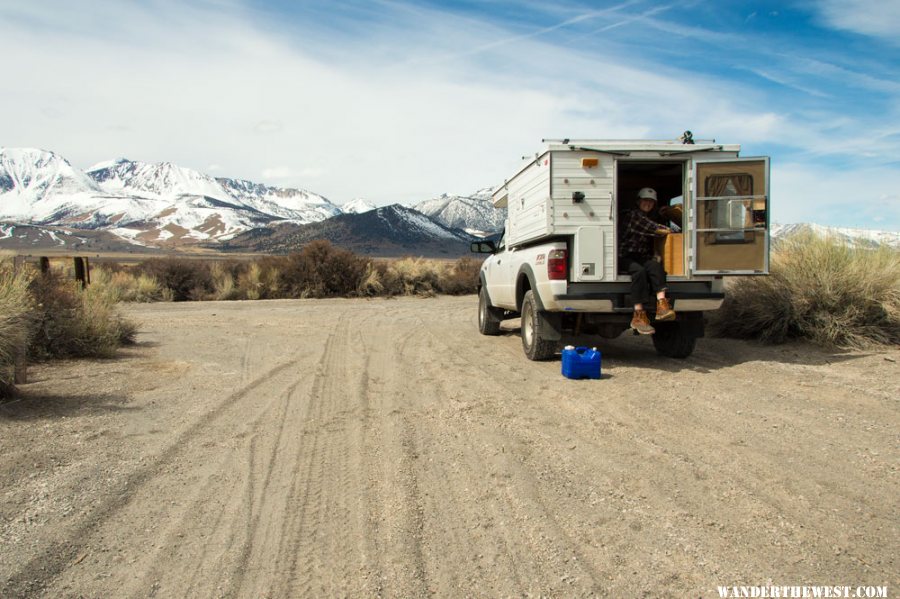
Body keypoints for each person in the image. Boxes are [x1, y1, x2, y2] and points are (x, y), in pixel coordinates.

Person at [619, 187, 676, 335]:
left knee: (655, 266)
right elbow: (655, 228)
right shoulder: (633, 215)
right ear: (638, 201)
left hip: (640, 256)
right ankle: (638, 315)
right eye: (645, 200)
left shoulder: (648, 216)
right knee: (639, 272)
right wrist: (672, 231)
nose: (648, 204)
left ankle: (662, 305)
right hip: (623, 256)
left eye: (651, 202)